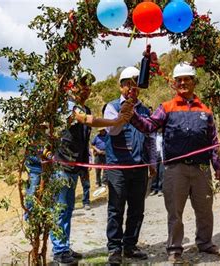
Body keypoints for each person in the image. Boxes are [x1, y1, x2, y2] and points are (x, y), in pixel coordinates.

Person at [125, 62, 220, 263]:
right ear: (174, 84)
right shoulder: (166, 107)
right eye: (179, 80)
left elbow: (212, 140)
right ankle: (174, 249)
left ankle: (205, 243)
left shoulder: (205, 110)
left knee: (205, 209)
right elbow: (149, 126)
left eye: (186, 79)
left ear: (194, 81)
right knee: (175, 212)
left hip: (201, 169)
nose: (182, 83)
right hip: (175, 169)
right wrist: (132, 115)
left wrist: (217, 165)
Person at [49, 68, 133, 264]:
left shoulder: (84, 108)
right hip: (61, 166)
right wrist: (116, 120)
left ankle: (64, 245)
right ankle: (59, 251)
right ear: (72, 86)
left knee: (68, 209)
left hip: (74, 167)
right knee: (60, 209)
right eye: (81, 85)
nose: (86, 89)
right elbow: (87, 121)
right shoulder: (68, 107)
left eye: (88, 85)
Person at [103, 66, 157, 264]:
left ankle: (130, 245)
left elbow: (150, 138)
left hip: (140, 167)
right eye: (128, 85)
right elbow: (112, 130)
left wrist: (152, 163)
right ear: (121, 87)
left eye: (135, 85)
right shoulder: (112, 107)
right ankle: (114, 249)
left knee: (137, 209)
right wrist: (124, 114)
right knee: (116, 208)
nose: (132, 89)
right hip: (117, 167)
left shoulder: (144, 110)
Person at [150, 129, 164, 196]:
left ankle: (160, 189)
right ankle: (154, 188)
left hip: (161, 156)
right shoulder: (153, 135)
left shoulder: (163, 136)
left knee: (161, 173)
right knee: (154, 173)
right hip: (154, 155)